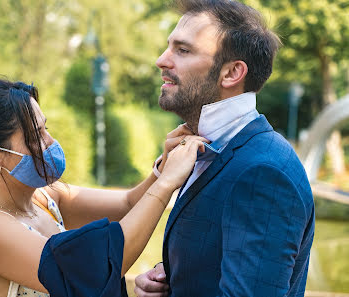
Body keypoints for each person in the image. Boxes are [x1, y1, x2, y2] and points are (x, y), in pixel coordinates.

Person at [0, 79, 206, 297]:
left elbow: (129, 205)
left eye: (46, 128)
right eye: (35, 135)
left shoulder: (47, 196)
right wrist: (168, 182)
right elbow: (87, 271)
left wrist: (163, 165)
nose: (50, 142)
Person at [134, 0, 315, 296]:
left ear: (232, 73)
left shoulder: (263, 172)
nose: (161, 60)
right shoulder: (212, 149)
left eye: (183, 50)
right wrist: (175, 278)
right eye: (170, 47)